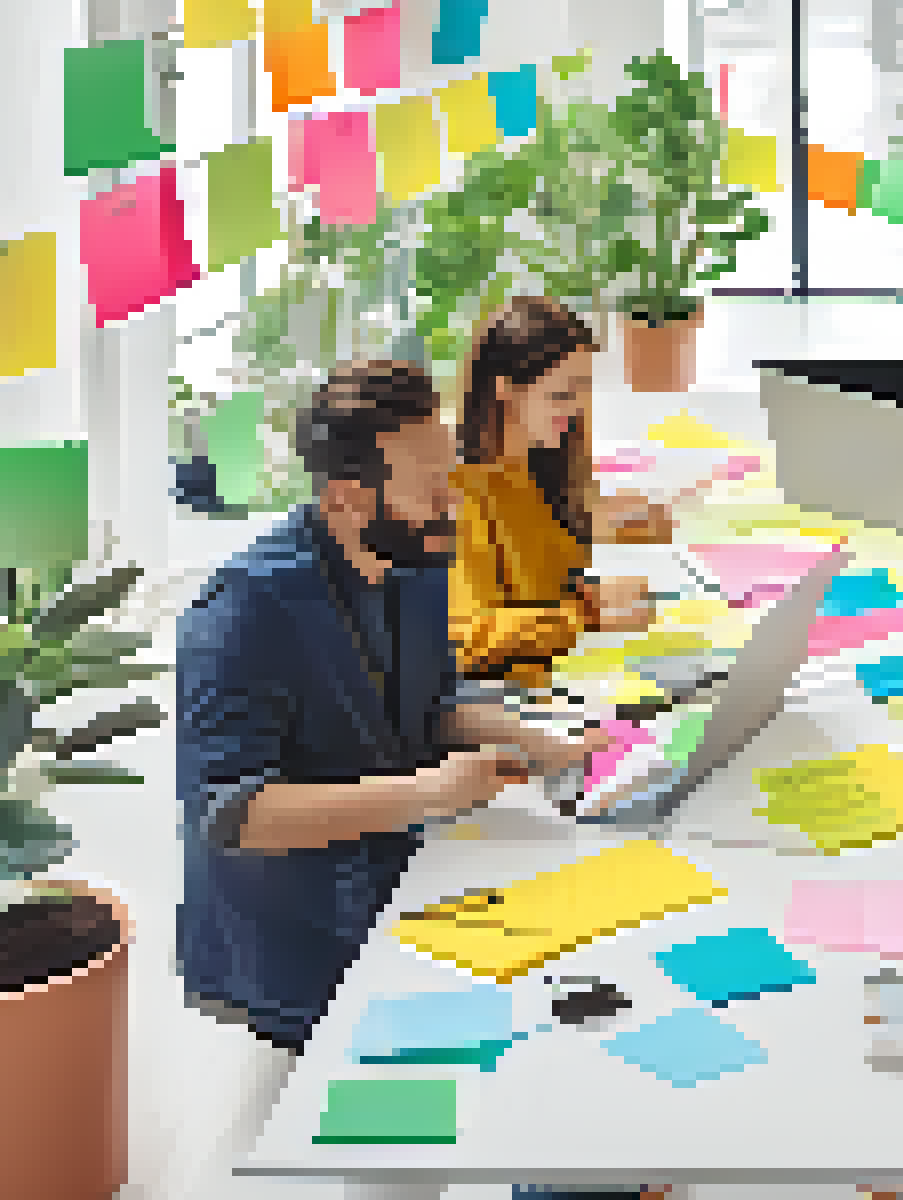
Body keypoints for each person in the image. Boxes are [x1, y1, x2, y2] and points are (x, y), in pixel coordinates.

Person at [177, 360, 611, 1055]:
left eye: (452, 483)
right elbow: (232, 815)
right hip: (305, 941)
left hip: (403, 873)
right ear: (348, 501)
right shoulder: (245, 611)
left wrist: (530, 737)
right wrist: (424, 795)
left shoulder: (414, 559)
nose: (454, 508)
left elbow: (425, 705)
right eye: (433, 492)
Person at [451, 297, 670, 691]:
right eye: (561, 395)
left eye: (582, 390)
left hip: (571, 680)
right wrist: (586, 612)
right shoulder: (464, 493)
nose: (574, 410)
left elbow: (548, 586)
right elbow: (465, 639)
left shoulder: (542, 469)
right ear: (505, 389)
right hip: (523, 707)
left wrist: (592, 595)